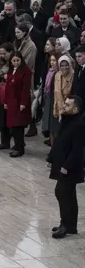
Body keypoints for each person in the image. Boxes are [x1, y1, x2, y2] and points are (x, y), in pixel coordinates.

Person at [47, 96, 84, 239]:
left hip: (69, 166)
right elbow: (59, 142)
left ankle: (65, 225)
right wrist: (51, 158)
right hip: (61, 163)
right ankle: (71, 225)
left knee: (61, 192)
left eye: (67, 105)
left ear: (75, 109)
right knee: (69, 194)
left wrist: (66, 166)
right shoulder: (66, 121)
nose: (64, 106)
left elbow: (76, 150)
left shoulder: (78, 125)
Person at [0, 51, 32, 157]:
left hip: (20, 101)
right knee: (13, 125)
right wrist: (5, 101)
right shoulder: (10, 70)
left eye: (18, 60)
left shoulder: (26, 71)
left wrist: (23, 103)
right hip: (11, 101)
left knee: (19, 126)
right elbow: (8, 86)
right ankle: (18, 144)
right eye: (14, 61)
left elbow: (25, 89)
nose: (16, 63)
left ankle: (19, 148)